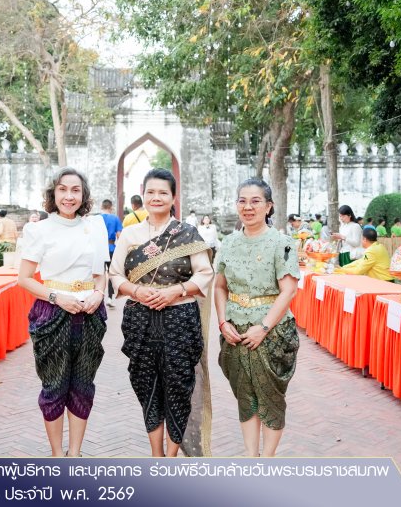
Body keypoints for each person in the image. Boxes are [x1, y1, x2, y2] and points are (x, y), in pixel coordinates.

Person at [109, 168, 213, 457]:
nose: (156, 197)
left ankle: (170, 457)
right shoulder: (130, 234)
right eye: (151, 192)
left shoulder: (187, 233)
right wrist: (136, 291)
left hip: (180, 319)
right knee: (146, 384)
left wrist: (175, 291)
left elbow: (204, 273)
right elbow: (116, 275)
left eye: (163, 193)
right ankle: (156, 457)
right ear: (143, 195)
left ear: (173, 197)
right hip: (140, 319)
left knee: (179, 386)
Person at [17, 167, 110, 458]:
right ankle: (58, 454)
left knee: (83, 383)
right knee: (54, 384)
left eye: (75, 190)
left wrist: (98, 293)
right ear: (53, 193)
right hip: (52, 312)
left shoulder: (94, 226)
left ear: (83, 195)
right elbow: (25, 278)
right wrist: (58, 297)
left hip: (89, 311)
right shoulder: (39, 229)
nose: (69, 196)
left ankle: (75, 454)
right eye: (62, 189)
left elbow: (100, 273)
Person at [214, 178, 300, 457]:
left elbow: (288, 290)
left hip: (271, 332)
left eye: (255, 201)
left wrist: (263, 328)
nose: (248, 207)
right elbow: (219, 286)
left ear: (268, 206)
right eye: (242, 201)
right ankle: (251, 457)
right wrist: (223, 322)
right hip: (235, 331)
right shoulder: (227, 243)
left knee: (270, 397)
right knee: (245, 396)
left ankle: (268, 459)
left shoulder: (281, 243)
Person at [100, 199, 123, 308]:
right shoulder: (115, 218)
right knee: (111, 274)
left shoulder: (97, 218)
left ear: (102, 206)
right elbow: (119, 235)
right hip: (111, 248)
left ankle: (98, 296)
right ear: (111, 207)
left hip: (98, 250)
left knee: (97, 273)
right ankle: (109, 298)